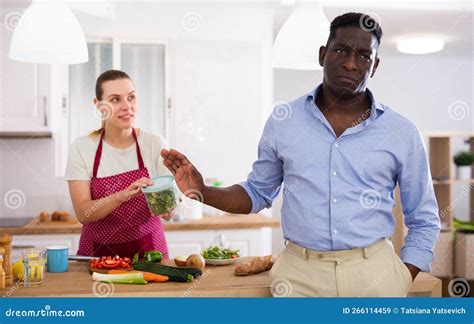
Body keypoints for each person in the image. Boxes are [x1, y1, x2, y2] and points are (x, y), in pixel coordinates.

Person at [160, 12, 440, 297]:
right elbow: (257, 193)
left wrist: (403, 276)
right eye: (341, 49)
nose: (350, 63)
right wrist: (202, 190)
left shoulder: (401, 132)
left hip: (375, 274)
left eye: (364, 55)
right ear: (322, 55)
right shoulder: (285, 120)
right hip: (299, 276)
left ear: (375, 66)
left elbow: (424, 217)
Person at [65, 70, 173, 259]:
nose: (127, 106)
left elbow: (167, 209)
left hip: (151, 254)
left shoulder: (155, 144)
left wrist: (170, 206)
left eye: (131, 97)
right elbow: (83, 213)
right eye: (115, 100)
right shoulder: (81, 148)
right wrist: (122, 196)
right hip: (98, 257)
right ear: (98, 106)